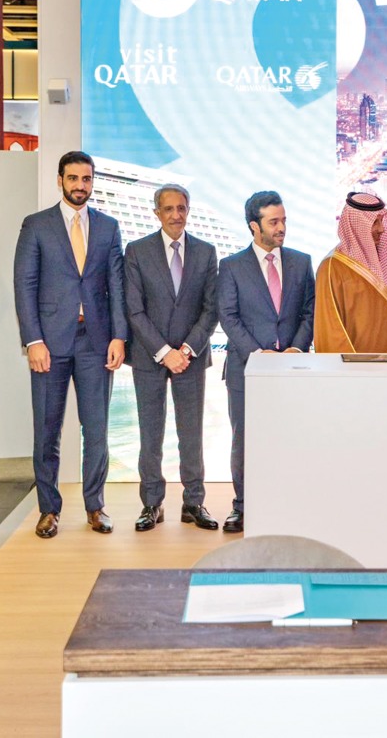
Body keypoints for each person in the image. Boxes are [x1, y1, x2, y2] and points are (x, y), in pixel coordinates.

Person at [14, 151, 128, 539]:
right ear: (60, 180)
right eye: (74, 178)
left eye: (87, 178)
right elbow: (24, 286)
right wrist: (33, 340)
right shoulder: (36, 225)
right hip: (50, 343)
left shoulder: (109, 227)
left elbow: (117, 286)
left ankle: (95, 506)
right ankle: (48, 509)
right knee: (47, 429)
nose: (81, 185)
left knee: (96, 430)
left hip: (96, 343)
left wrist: (119, 335)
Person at [217, 191, 315, 533]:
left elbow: (309, 311)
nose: (281, 228)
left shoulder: (302, 262)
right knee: (244, 441)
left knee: (290, 440)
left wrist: (295, 349)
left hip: (292, 368)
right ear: (253, 226)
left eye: (284, 220)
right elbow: (228, 317)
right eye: (274, 222)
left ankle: (286, 506)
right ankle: (242, 507)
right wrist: (260, 354)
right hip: (246, 370)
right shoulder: (230, 267)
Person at [123, 185, 219, 533]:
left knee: (191, 433)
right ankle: (151, 504)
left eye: (182, 208)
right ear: (156, 213)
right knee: (150, 433)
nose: (176, 215)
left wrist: (187, 350)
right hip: (150, 358)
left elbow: (211, 309)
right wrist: (165, 353)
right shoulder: (136, 251)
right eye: (168, 209)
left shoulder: (207, 252)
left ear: (188, 210)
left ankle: (194, 502)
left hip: (191, 358)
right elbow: (133, 309)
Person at [315, 192, 387, 353]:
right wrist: (349, 372)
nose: (381, 229)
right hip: (352, 368)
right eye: (374, 222)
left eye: (381, 221)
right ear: (356, 225)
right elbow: (331, 329)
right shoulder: (332, 267)